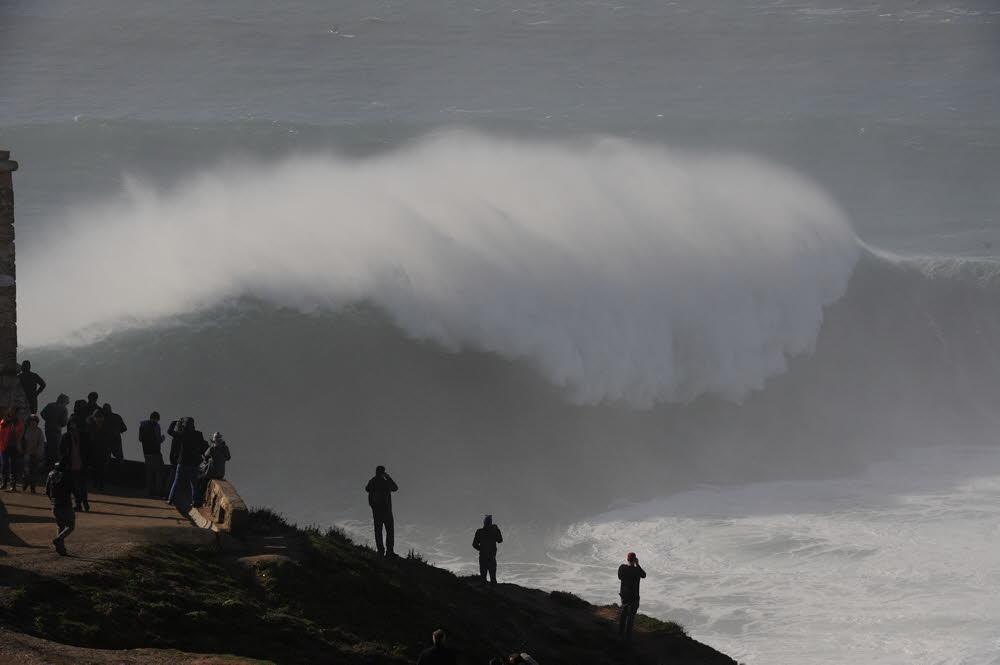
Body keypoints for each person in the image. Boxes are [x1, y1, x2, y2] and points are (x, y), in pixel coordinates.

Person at [166, 417, 208, 507]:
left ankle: (170, 499)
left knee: (177, 481)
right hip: (194, 463)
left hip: (182, 462)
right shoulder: (198, 434)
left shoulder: (183, 434)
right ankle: (195, 502)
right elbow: (203, 446)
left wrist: (174, 422)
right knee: (194, 483)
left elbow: (169, 431)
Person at [365, 465, 398, 558]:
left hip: (377, 511)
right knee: (389, 531)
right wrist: (388, 477)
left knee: (378, 531)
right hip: (386, 511)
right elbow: (395, 488)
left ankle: (381, 551)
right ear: (383, 472)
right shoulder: (385, 482)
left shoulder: (372, 481)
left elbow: (367, 489)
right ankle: (389, 552)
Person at [45, 460, 76, 556]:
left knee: (60, 526)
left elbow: (46, 490)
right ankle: (59, 539)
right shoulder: (67, 475)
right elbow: (73, 489)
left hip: (55, 504)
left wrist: (52, 500)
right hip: (66, 504)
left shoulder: (50, 474)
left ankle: (61, 549)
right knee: (70, 526)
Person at [193, 431, 232, 507]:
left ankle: (198, 501)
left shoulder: (212, 448)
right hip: (221, 474)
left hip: (211, 473)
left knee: (199, 480)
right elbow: (228, 458)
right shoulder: (225, 447)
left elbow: (205, 455)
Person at [59, 418, 89, 511]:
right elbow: (61, 451)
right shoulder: (66, 437)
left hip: (81, 465)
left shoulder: (82, 437)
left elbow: (88, 450)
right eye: (71, 425)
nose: (72, 426)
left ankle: (84, 502)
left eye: (74, 424)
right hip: (70, 465)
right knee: (74, 486)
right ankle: (79, 504)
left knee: (81, 486)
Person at [617, 552, 646, 640]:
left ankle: (620, 633)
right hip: (634, 596)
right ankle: (628, 636)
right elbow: (644, 575)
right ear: (635, 559)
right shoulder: (637, 570)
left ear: (627, 559)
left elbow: (619, 577)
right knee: (631, 616)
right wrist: (637, 564)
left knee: (623, 614)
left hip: (624, 595)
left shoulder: (622, 568)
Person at [139, 411, 166, 496]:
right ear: (157, 418)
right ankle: (158, 491)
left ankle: (149, 491)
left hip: (146, 452)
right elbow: (158, 439)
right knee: (159, 471)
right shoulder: (156, 426)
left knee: (149, 473)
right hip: (155, 452)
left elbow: (140, 439)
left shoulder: (142, 425)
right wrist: (162, 438)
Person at [86, 409, 114, 491]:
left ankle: (100, 483)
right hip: (95, 449)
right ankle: (96, 483)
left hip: (103, 450)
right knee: (96, 467)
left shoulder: (104, 426)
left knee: (101, 468)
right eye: (97, 417)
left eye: (100, 417)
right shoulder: (91, 426)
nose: (99, 419)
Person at [472, 514, 504, 585]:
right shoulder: (494, 531)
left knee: (483, 578)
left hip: (483, 556)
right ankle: (493, 594)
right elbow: (500, 540)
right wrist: (497, 530)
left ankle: (485, 593)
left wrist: (482, 549)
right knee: (493, 578)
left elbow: (474, 544)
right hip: (491, 556)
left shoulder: (479, 532)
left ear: (484, 522)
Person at [40, 394, 70, 466]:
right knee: (57, 448)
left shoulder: (50, 405)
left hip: (48, 428)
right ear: (64, 401)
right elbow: (63, 423)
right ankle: (55, 464)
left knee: (50, 446)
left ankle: (48, 462)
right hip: (56, 430)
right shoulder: (63, 409)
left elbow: (42, 413)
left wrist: (48, 419)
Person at [20, 414, 45, 493]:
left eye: (34, 421)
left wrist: (39, 453)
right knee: (26, 470)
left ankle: (32, 487)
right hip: (26, 453)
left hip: (35, 454)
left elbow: (41, 443)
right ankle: (25, 483)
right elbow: (21, 440)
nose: (33, 423)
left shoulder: (39, 431)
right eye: (31, 421)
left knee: (34, 471)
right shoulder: (25, 430)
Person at [0, 408, 24, 491]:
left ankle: (12, 485)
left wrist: (19, 445)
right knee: (4, 465)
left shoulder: (19, 423)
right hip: (4, 447)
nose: (12, 415)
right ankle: (4, 483)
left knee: (13, 466)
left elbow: (21, 435)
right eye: (11, 413)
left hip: (14, 447)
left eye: (14, 413)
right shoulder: (4, 422)